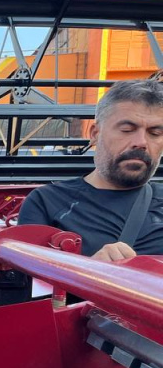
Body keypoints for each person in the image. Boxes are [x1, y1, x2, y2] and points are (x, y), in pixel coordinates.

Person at [18, 79, 163, 261]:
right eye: (127, 130)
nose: (141, 142)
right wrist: (90, 272)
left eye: (155, 133)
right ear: (95, 134)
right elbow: (29, 281)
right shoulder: (47, 202)